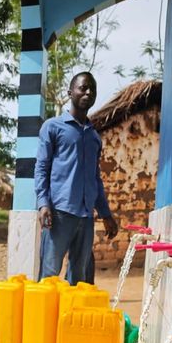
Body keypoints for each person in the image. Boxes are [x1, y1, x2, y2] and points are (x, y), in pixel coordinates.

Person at [35, 72, 118, 285]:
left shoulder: (94, 137)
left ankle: (68, 319)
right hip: (59, 214)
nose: (88, 92)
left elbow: (95, 179)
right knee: (49, 274)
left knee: (79, 276)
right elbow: (42, 167)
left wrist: (106, 213)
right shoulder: (53, 127)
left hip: (85, 216)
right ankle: (45, 318)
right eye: (83, 88)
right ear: (70, 92)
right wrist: (43, 203)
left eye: (92, 89)